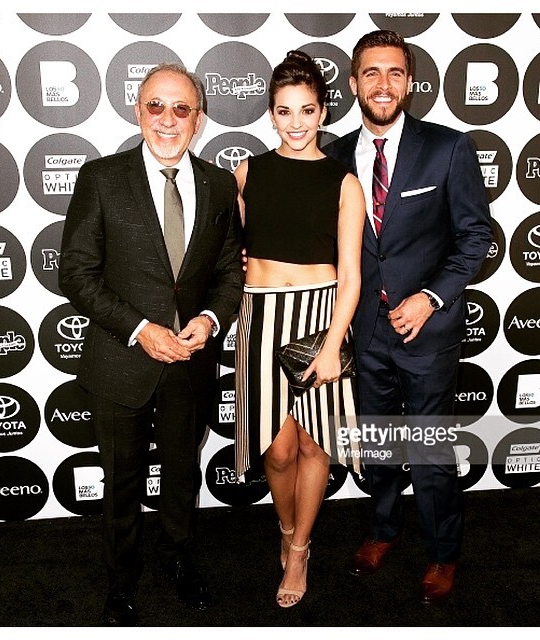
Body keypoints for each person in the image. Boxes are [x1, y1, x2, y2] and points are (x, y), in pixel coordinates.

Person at [58, 62, 243, 625]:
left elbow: (229, 274)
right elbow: (77, 274)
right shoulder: (101, 178)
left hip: (191, 360)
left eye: (181, 108)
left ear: (199, 119)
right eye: (156, 106)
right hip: (121, 362)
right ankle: (121, 579)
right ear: (137, 111)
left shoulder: (218, 184)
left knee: (183, 475)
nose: (168, 119)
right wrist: (141, 329)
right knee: (121, 481)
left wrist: (210, 319)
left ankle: (179, 561)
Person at [324, 30, 493, 603]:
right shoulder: (335, 157)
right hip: (364, 332)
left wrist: (431, 297)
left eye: (394, 72)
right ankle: (383, 530)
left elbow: (474, 237)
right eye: (371, 72)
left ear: (410, 83)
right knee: (378, 442)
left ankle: (443, 553)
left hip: (428, 333)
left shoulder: (448, 148)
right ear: (354, 83)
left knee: (427, 449)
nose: (383, 83)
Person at [233, 50, 366, 608]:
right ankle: (286, 528)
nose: (295, 122)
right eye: (284, 111)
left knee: (315, 444)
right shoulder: (248, 172)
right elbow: (232, 251)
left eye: (306, 110)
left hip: (320, 317)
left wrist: (334, 344)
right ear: (270, 114)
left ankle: (299, 548)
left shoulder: (344, 182)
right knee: (279, 450)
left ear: (323, 112)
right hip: (260, 319)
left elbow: (351, 274)